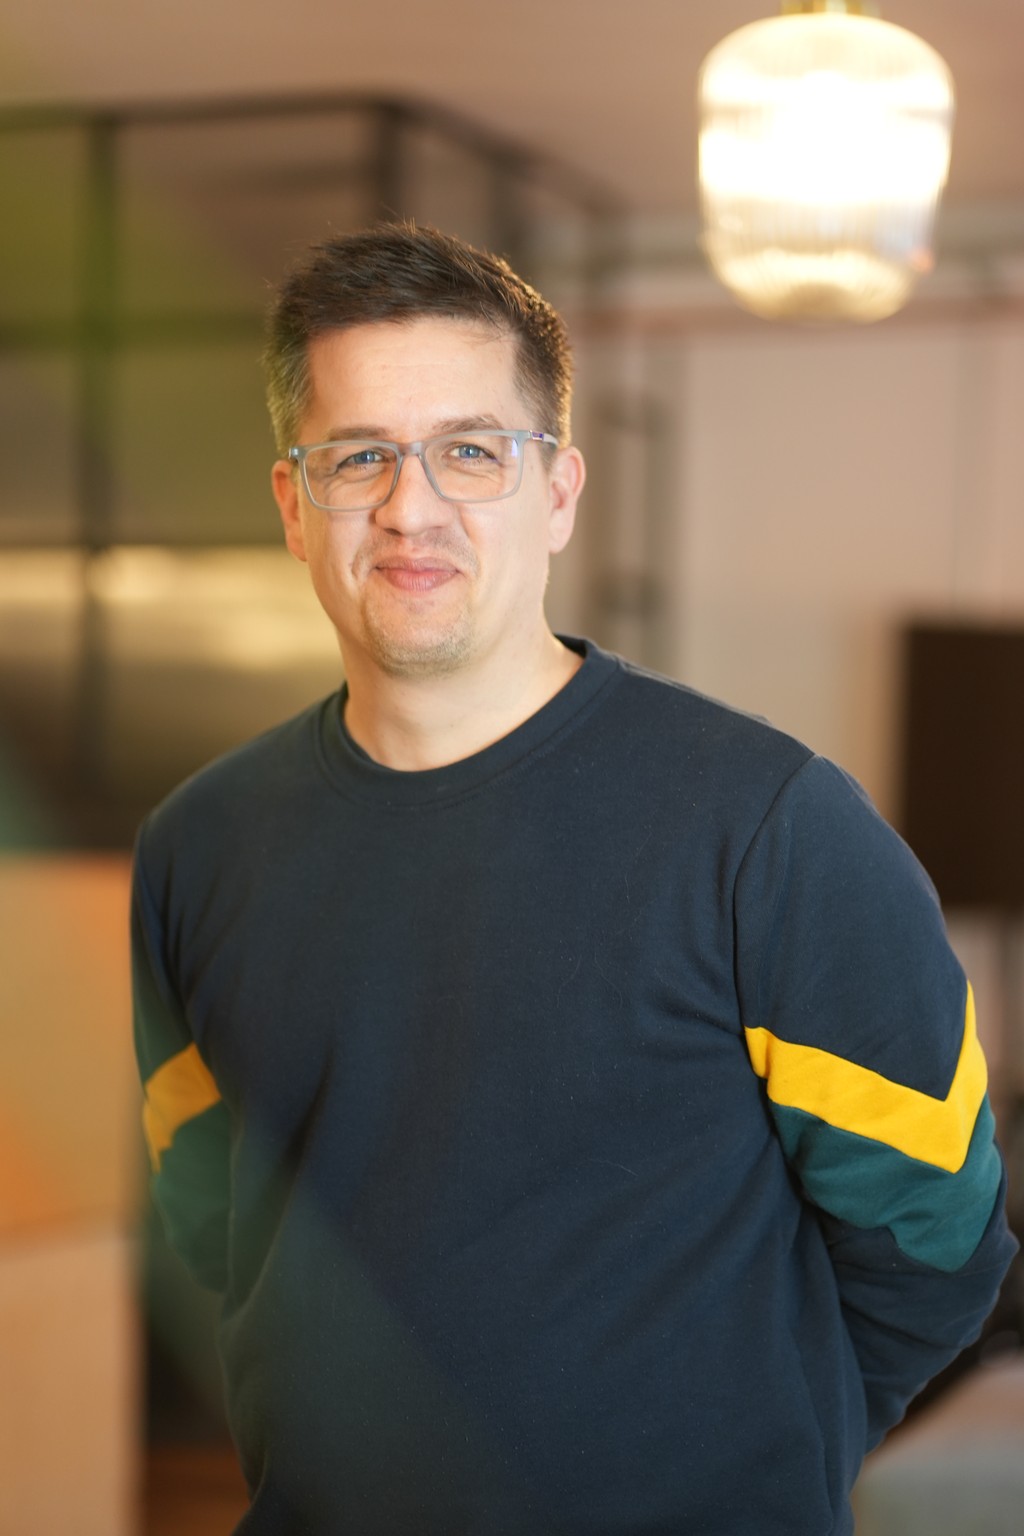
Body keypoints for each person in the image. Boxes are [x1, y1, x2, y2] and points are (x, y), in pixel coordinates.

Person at [132, 223, 1017, 1536]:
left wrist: (758, 1459)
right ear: (290, 502)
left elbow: (935, 1248)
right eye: (359, 456)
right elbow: (215, 1228)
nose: (411, 508)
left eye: (471, 451)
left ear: (556, 491)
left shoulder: (770, 829)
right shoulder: (195, 849)